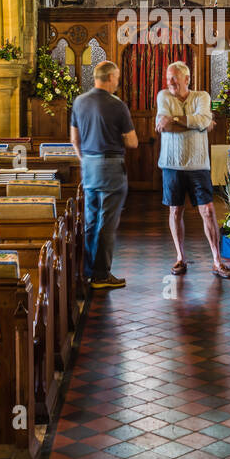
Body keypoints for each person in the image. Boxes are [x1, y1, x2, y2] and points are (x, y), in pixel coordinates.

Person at [155, 61, 230, 279]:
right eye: (168, 78)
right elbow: (165, 126)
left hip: (198, 164)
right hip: (171, 164)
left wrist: (176, 119)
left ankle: (217, 261)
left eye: (175, 78)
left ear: (187, 79)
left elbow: (204, 119)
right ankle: (180, 257)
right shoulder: (163, 96)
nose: (170, 82)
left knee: (207, 211)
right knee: (175, 211)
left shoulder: (202, 97)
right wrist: (196, 124)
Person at [70, 60, 138, 290]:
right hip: (110, 166)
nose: (117, 82)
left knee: (91, 219)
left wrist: (85, 159)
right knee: (107, 222)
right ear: (109, 78)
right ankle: (101, 274)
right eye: (117, 78)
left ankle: (87, 271)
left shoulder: (79, 102)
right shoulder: (117, 105)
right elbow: (132, 142)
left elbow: (74, 139)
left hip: (88, 165)